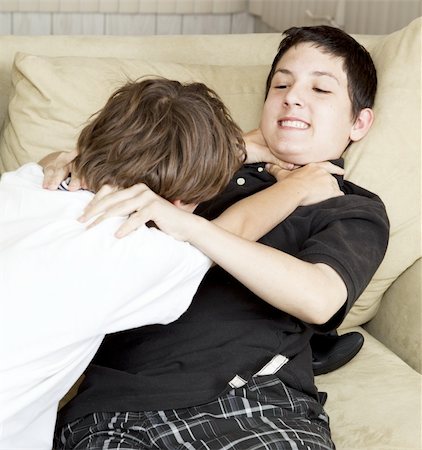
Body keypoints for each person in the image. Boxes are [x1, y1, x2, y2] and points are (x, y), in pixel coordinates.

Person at [51, 26, 389, 449]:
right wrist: (235, 149)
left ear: (359, 122)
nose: (293, 96)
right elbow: (90, 168)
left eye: (320, 89)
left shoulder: (350, 205)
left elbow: (318, 299)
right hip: (117, 406)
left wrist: (191, 228)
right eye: (281, 84)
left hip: (255, 405)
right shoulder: (199, 166)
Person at [0, 77, 344, 450]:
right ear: (179, 203)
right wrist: (297, 186)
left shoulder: (25, 182)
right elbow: (231, 230)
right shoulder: (137, 251)